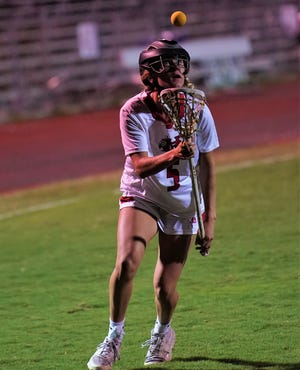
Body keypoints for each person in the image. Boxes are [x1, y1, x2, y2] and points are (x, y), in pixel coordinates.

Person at [87, 39, 219, 370]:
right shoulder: (133, 110)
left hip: (184, 202)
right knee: (128, 261)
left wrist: (210, 218)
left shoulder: (198, 108)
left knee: (164, 289)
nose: (176, 68)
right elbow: (140, 166)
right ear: (148, 74)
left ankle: (162, 331)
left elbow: (208, 165)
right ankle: (113, 338)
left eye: (179, 62)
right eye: (166, 63)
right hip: (143, 192)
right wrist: (176, 153)